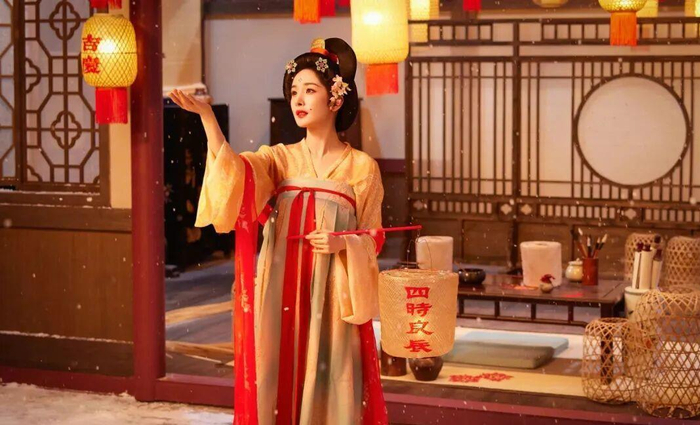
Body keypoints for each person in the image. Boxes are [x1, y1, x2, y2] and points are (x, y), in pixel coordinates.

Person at [168, 37, 388, 425]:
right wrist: (207, 119)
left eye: (310, 90)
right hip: (282, 286)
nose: (298, 99)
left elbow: (374, 237)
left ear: (335, 99)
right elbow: (236, 174)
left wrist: (343, 242)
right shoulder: (279, 159)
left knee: (333, 373)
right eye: (294, 91)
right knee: (277, 365)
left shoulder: (361, 168)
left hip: (333, 293)